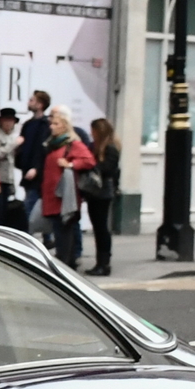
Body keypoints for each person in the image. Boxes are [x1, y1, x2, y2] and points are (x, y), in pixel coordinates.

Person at [37, 105, 99, 269]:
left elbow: (89, 160)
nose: (52, 126)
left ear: (64, 126)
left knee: (64, 229)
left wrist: (71, 164)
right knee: (58, 229)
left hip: (65, 195)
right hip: (51, 193)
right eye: (52, 124)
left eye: (56, 124)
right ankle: (66, 261)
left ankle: (65, 263)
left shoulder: (73, 144)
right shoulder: (52, 144)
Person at [82, 116, 121, 276]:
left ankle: (104, 263)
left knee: (101, 228)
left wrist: (94, 165)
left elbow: (109, 169)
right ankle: (101, 262)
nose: (91, 134)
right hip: (95, 193)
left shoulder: (110, 148)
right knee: (98, 228)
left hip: (103, 192)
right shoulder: (96, 146)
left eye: (93, 131)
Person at [14, 90, 52, 219]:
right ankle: (46, 236)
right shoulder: (28, 125)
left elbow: (42, 150)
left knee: (31, 206)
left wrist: (36, 168)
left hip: (38, 173)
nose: (29, 102)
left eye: (32, 100)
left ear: (40, 104)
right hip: (27, 170)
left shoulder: (45, 125)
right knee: (32, 203)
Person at [0, 106, 24, 226]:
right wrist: (13, 144)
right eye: (6, 120)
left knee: (5, 212)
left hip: (7, 179)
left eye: (11, 120)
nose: (9, 123)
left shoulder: (13, 135)